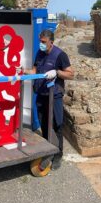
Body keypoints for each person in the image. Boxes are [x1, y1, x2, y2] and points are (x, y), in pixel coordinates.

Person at [28, 29, 74, 170]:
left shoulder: (60, 55)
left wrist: (57, 72)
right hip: (41, 95)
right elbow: (34, 71)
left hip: (54, 96)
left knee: (56, 125)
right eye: (40, 41)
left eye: (43, 42)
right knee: (44, 124)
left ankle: (58, 155)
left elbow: (71, 74)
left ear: (51, 42)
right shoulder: (40, 53)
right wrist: (23, 71)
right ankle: (48, 151)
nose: (41, 45)